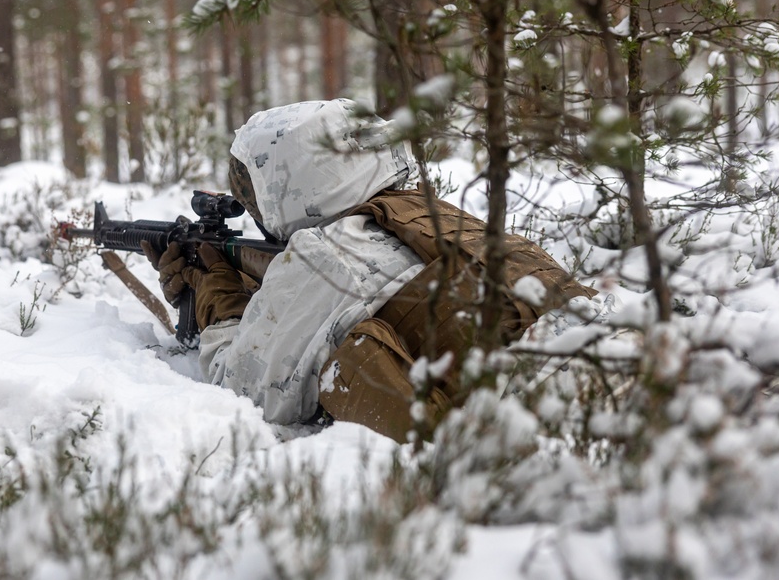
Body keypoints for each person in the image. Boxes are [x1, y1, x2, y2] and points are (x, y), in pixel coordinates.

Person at [144, 99, 595, 441]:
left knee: (348, 362)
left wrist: (219, 300)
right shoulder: (432, 215)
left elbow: (241, 388)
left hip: (536, 428)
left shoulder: (328, 255)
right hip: (606, 366)